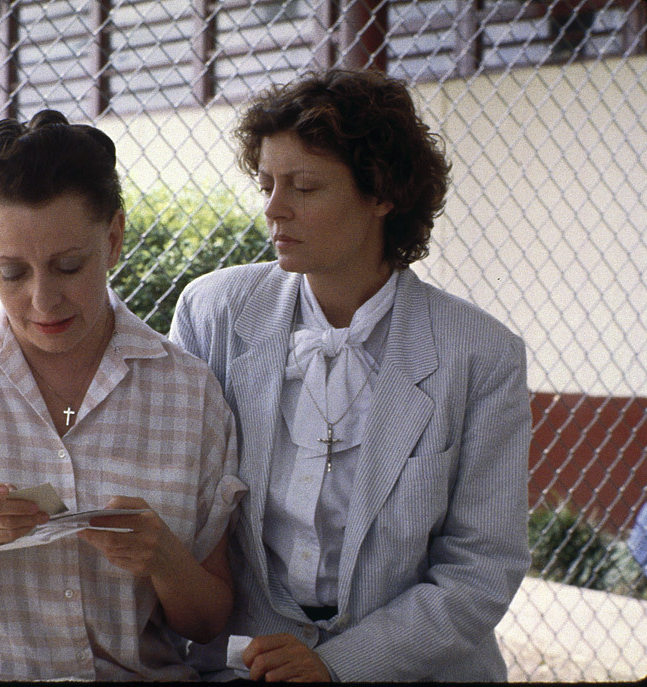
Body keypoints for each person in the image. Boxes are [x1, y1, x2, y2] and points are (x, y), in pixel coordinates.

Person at [0, 110, 244, 681]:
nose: (43, 300)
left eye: (68, 266)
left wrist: (164, 558)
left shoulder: (187, 393)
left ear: (114, 238)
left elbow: (208, 622)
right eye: (11, 273)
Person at [169, 69, 532, 682]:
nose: (274, 209)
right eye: (267, 184)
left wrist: (339, 667)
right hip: (243, 666)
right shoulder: (215, 314)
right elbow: (178, 501)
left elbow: (480, 568)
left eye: (305, 186)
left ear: (382, 194)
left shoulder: (481, 354)